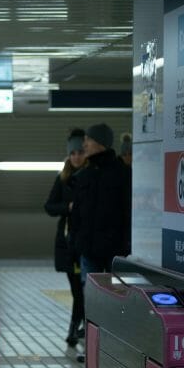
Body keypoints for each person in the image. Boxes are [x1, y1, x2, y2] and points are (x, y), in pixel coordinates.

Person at [70, 123, 132, 281]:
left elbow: (128, 212)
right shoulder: (83, 175)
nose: (84, 145)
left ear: (101, 142)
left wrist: (126, 244)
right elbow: (76, 215)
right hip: (88, 250)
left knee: (118, 296)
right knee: (91, 300)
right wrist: (76, 243)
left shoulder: (122, 174)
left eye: (88, 140)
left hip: (116, 252)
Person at [44, 129, 87, 348]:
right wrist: (68, 207)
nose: (77, 157)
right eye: (73, 153)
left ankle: (76, 328)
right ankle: (77, 328)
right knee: (77, 290)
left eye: (80, 152)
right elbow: (49, 206)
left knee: (84, 290)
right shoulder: (63, 179)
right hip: (68, 244)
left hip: (88, 244)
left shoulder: (92, 176)